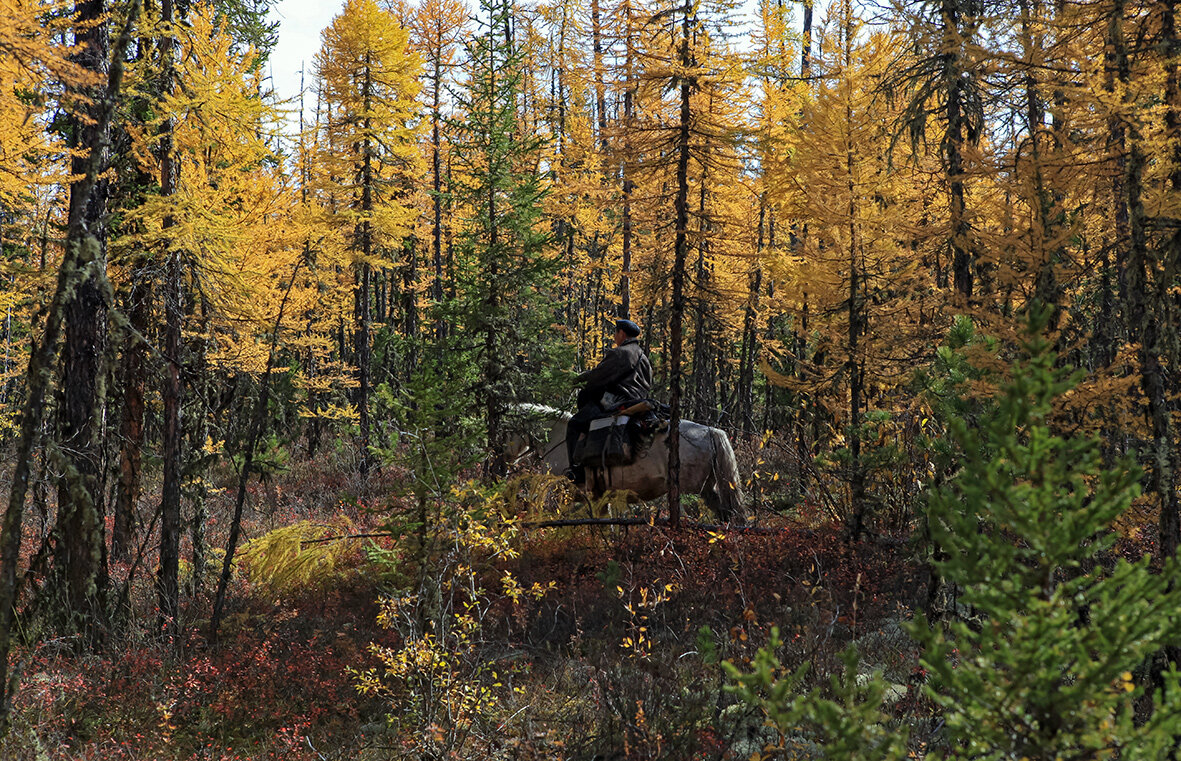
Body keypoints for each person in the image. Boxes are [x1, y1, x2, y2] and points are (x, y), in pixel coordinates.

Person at [566, 318, 653, 484]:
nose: (614, 337)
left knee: (575, 424)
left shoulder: (621, 353)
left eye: (615, 333)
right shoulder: (645, 359)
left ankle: (576, 471)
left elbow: (598, 377)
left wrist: (576, 380)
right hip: (637, 401)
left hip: (616, 400)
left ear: (621, 333)